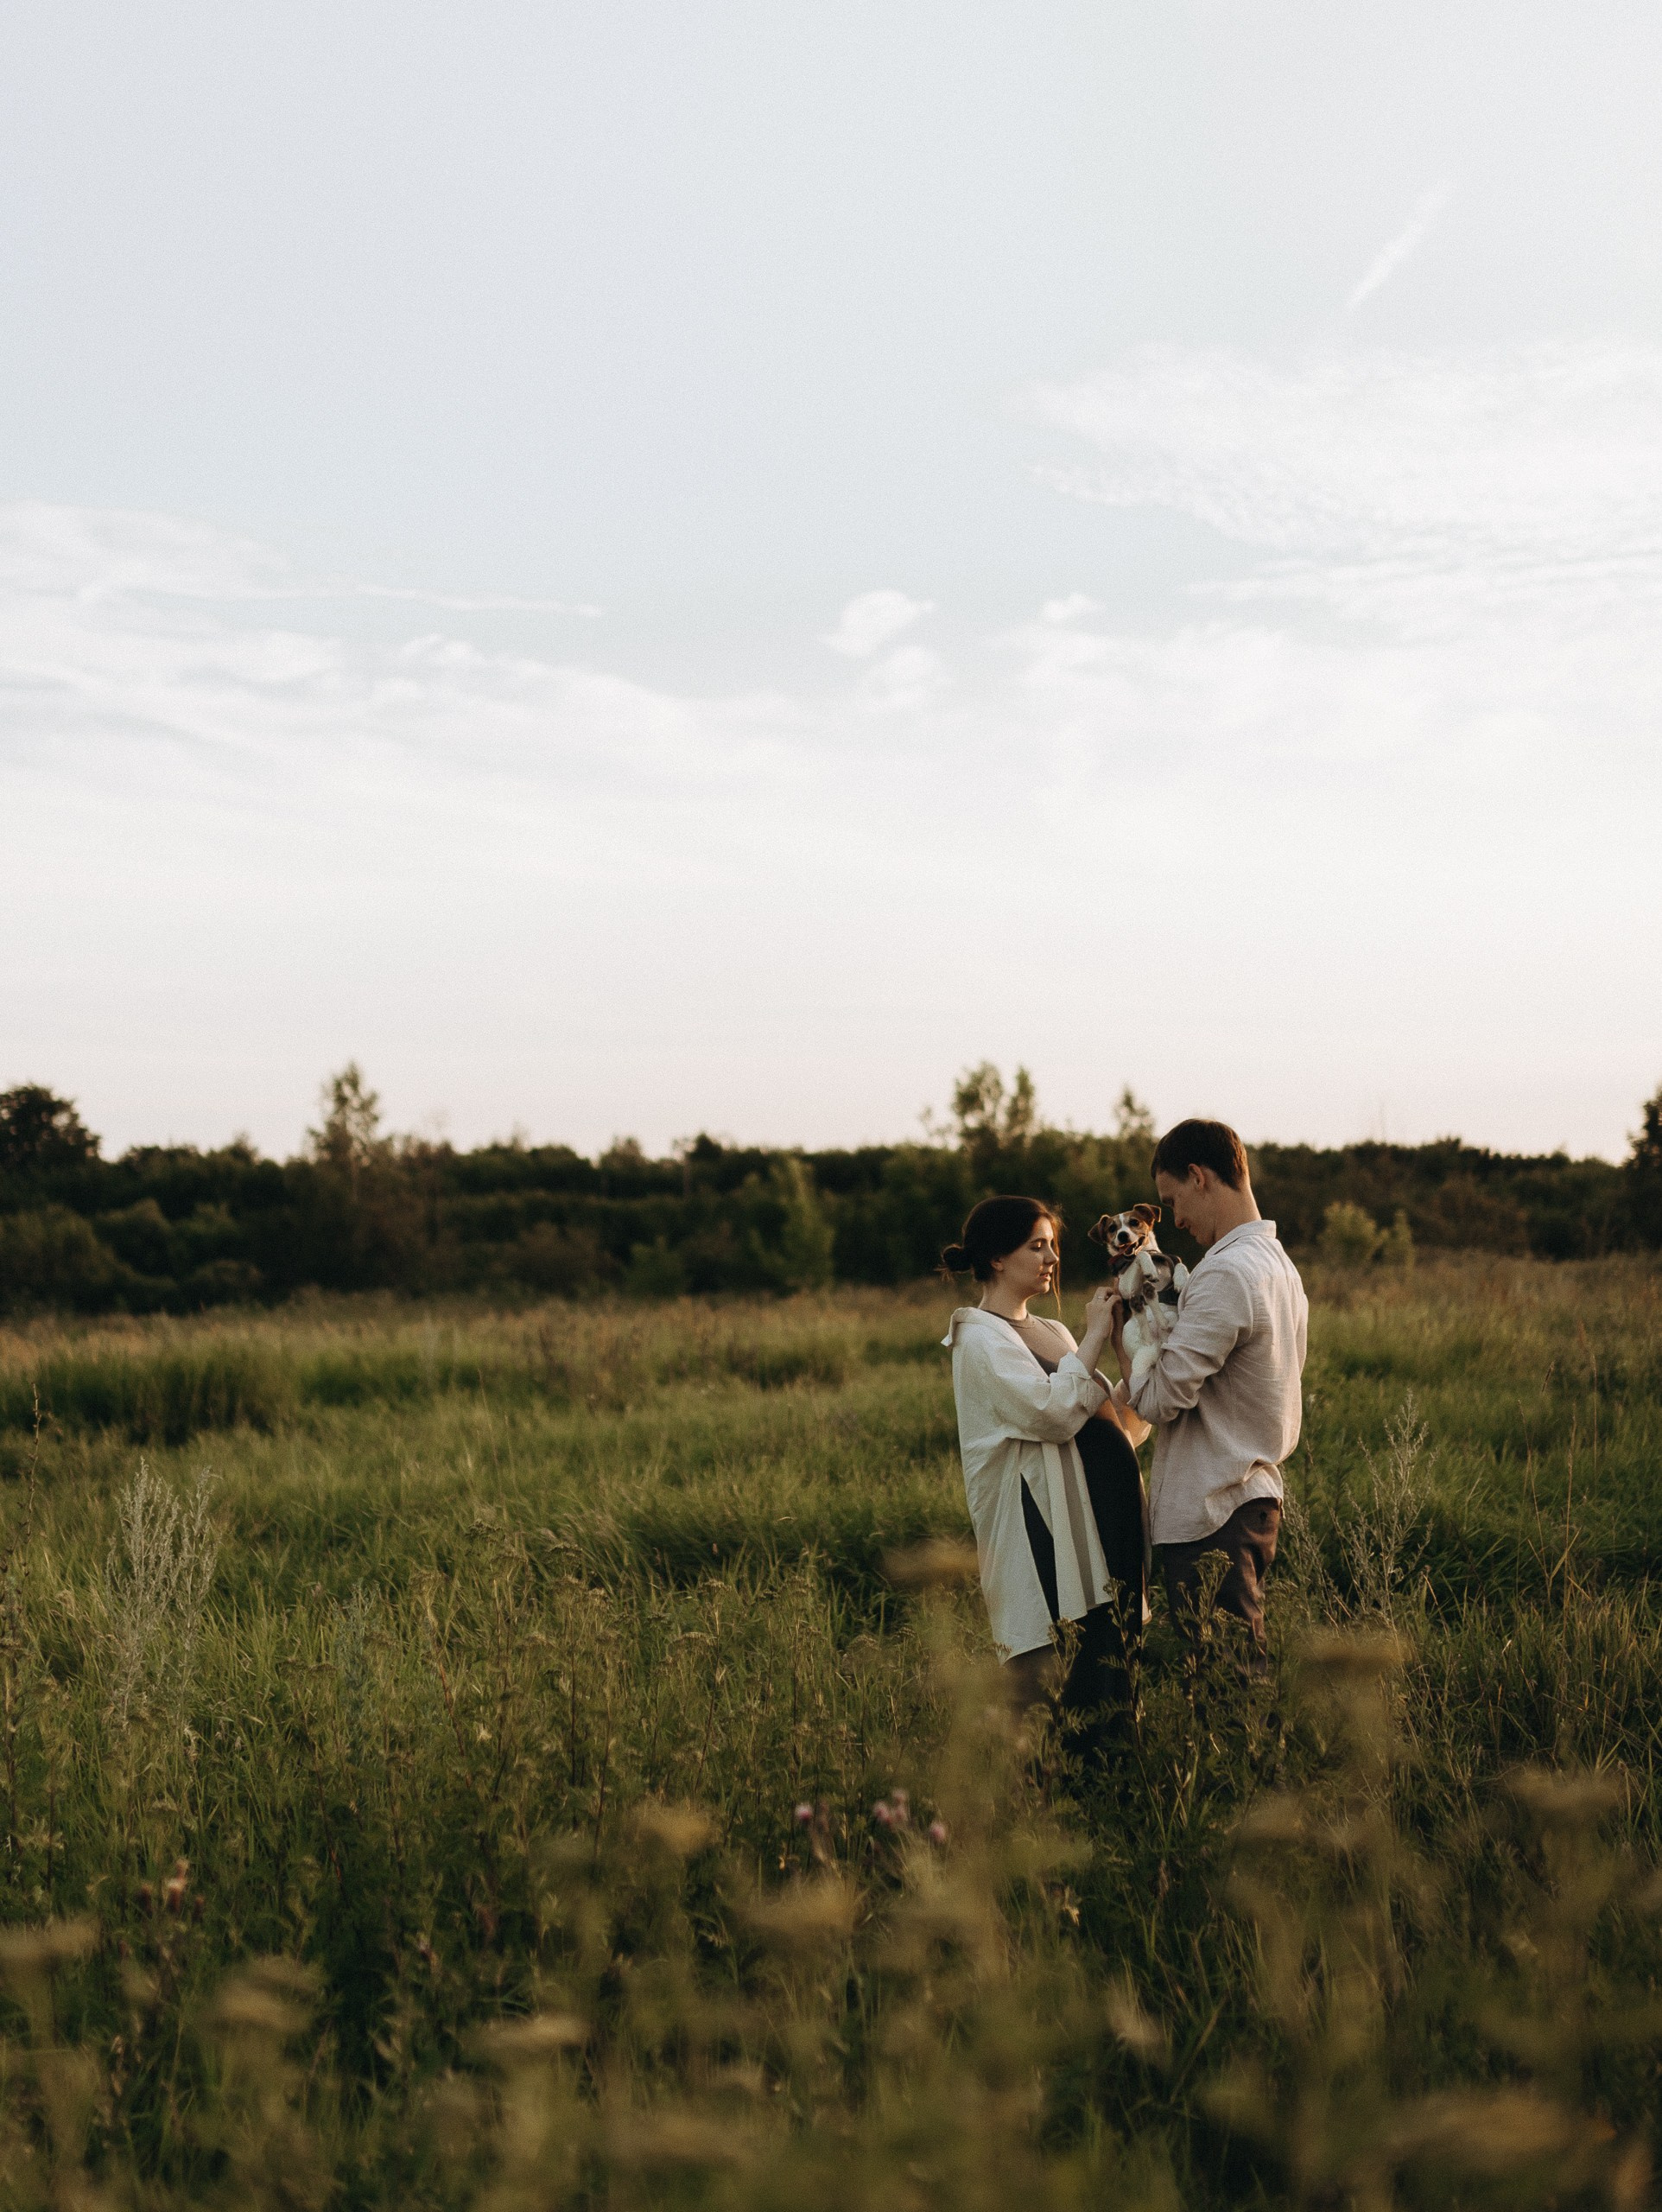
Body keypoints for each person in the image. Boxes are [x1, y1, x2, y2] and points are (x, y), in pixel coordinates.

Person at [941, 1196, 1151, 1744]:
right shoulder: (980, 1340)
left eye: (1053, 1245)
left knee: (1115, 1669)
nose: (1051, 1257)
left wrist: (1135, 1337)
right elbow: (1051, 1412)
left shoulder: (1055, 1335)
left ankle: (1121, 1799)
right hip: (1046, 1533)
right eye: (1036, 1246)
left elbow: (1118, 1419)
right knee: (1065, 1674)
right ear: (995, 1259)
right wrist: (1097, 1335)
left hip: (1103, 1526)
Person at [1107, 1119, 1308, 1671]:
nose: (1174, 1221)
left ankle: (1261, 1759)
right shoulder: (1279, 1266)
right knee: (1236, 1672)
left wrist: (1120, 1334)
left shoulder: (1225, 1273)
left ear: (1199, 1177)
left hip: (1212, 1509)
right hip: (1250, 1497)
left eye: (1172, 1202)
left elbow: (1160, 1400)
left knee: (1229, 1685)